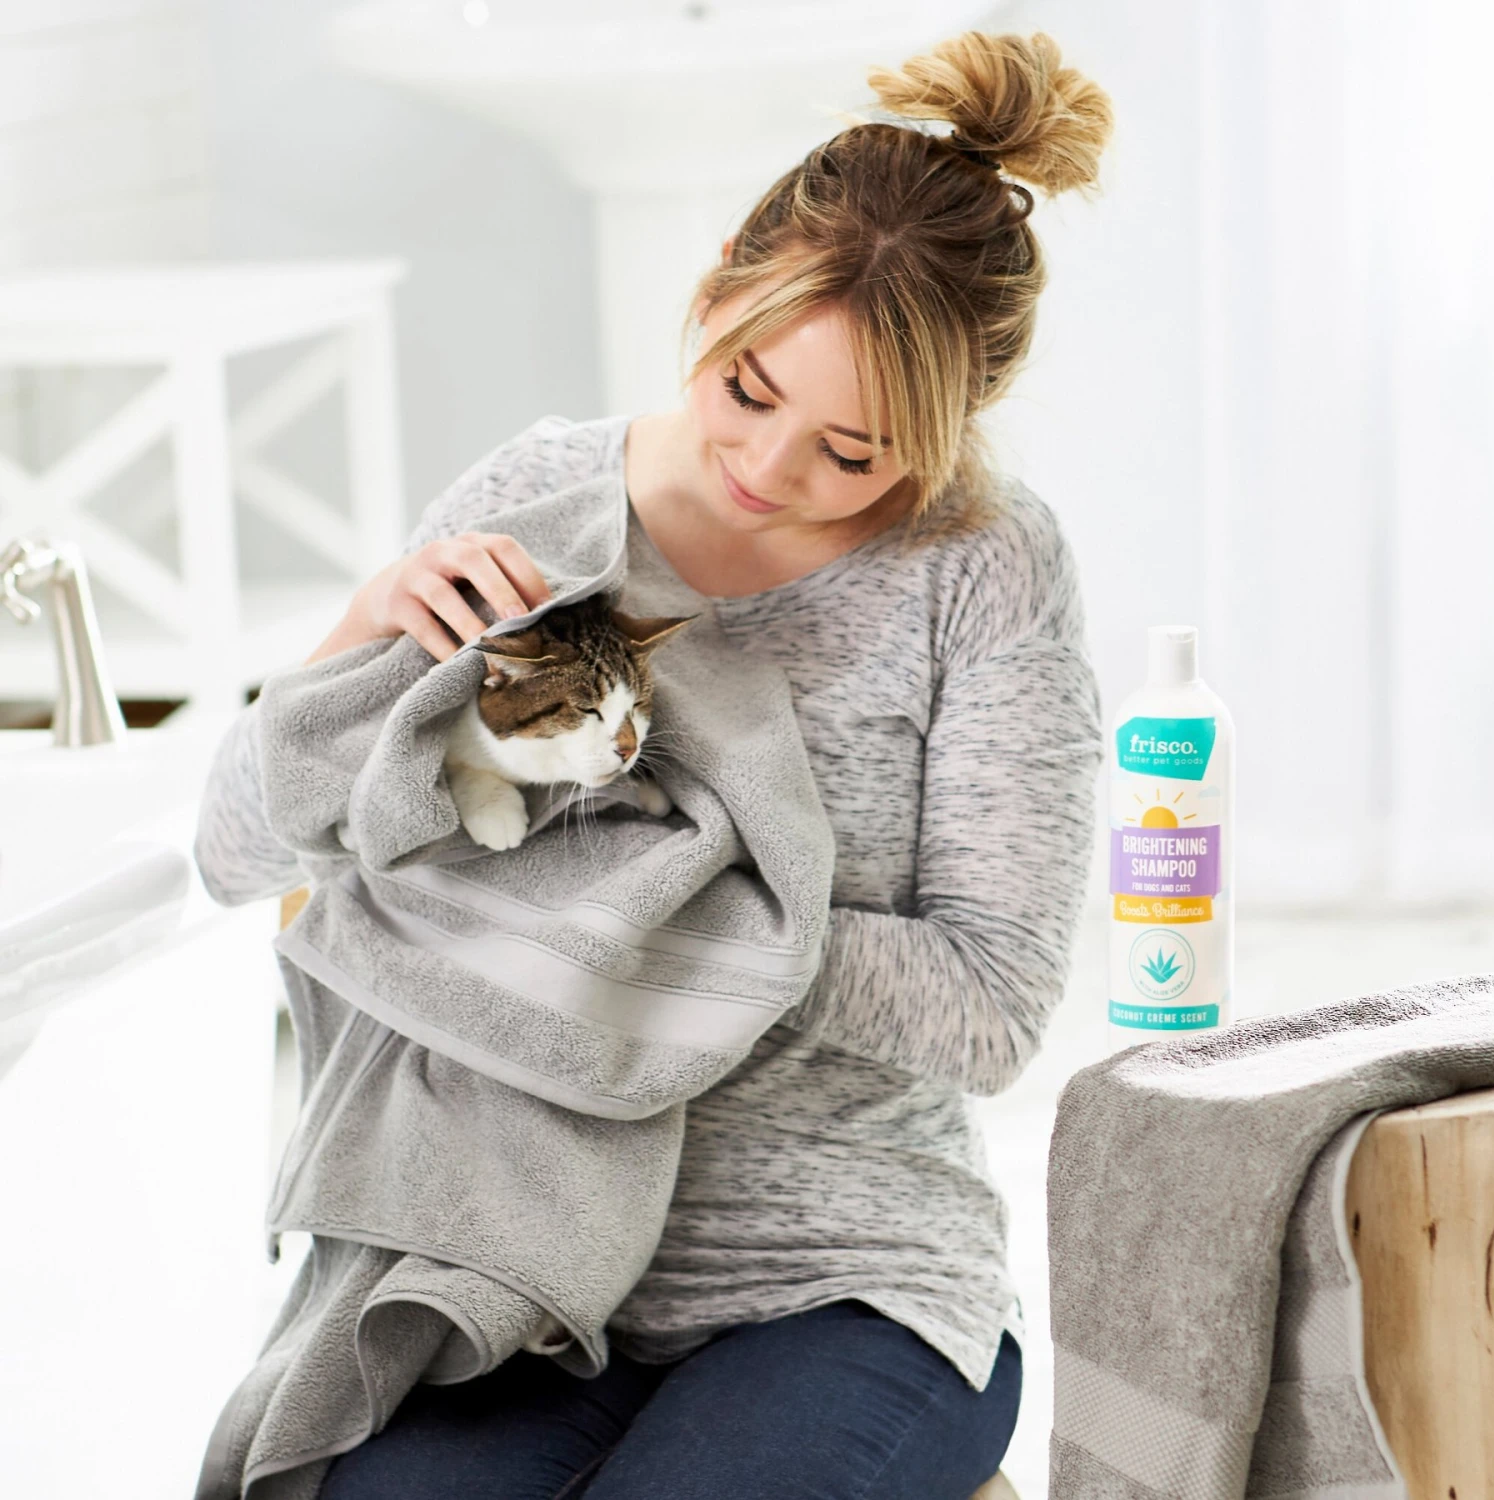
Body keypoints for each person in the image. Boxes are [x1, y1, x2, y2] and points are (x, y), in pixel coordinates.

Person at [195, 28, 1112, 1500]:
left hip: (845, 1273)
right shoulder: (538, 501)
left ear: (946, 436)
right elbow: (240, 854)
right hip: (505, 1267)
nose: (768, 471)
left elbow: (992, 1008)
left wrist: (634, 924)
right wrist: (360, 631)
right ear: (717, 285)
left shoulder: (981, 569)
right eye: (747, 388)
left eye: (853, 453)